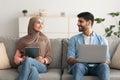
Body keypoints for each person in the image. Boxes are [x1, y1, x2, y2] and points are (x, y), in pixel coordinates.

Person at [67, 12, 110, 80]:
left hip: (97, 67)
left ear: (89, 22)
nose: (78, 24)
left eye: (81, 21)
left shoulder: (102, 39)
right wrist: (79, 60)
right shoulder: (73, 39)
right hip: (81, 66)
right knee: (78, 66)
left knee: (104, 66)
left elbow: (107, 61)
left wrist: (100, 60)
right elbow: (69, 59)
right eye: (78, 21)